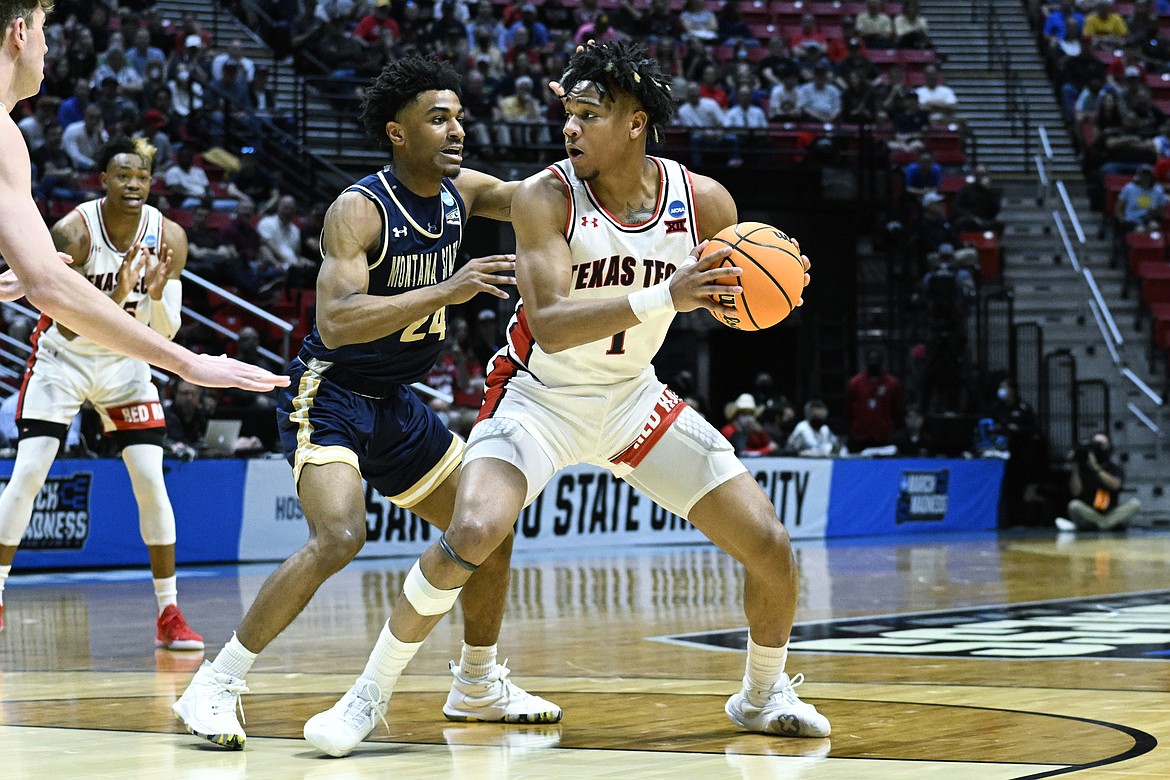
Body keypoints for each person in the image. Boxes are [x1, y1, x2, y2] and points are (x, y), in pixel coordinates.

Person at [299, 40, 827, 759]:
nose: (569, 127)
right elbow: (548, 321)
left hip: (632, 400)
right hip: (537, 399)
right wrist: (665, 294)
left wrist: (754, 293)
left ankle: (762, 693)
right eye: (567, 113)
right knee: (474, 531)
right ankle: (367, 696)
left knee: (769, 544)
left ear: (635, 124)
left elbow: (728, 294)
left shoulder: (704, 202)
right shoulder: (546, 196)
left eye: (588, 114)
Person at [172, 56, 560, 752]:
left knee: (487, 529)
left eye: (459, 117)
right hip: (333, 394)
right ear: (397, 132)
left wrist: (585, 127)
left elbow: (543, 197)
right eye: (438, 118)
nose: (456, 130)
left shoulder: (462, 194)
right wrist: (448, 290)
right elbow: (338, 320)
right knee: (341, 535)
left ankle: (477, 683)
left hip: (396, 402)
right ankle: (216, 683)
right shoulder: (359, 208)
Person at [0, 136, 201, 647]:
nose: (133, 185)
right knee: (28, 473)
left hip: (124, 367)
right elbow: (67, 327)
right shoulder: (73, 231)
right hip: (63, 361)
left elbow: (166, 331)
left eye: (141, 178)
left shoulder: (169, 237)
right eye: (123, 176)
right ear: (103, 181)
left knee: (151, 482)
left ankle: (170, 611)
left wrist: (152, 293)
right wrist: (117, 292)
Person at [1056, 432, 1142, 531]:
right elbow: (1075, 492)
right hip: (1089, 514)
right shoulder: (1081, 469)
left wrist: (1097, 468)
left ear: (1110, 447)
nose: (1099, 448)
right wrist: (1076, 463)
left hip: (1110, 512)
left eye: (1102, 445)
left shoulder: (1114, 468)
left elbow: (1116, 486)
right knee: (1074, 505)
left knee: (1135, 503)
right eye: (1096, 444)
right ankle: (1106, 525)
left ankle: (1100, 525)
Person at [844, 350, 905, 452]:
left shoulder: (892, 383)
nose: (873, 363)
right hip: (860, 436)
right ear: (866, 361)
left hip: (884, 436)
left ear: (881, 362)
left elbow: (898, 409)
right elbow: (847, 409)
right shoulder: (855, 383)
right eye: (871, 360)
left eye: (876, 360)